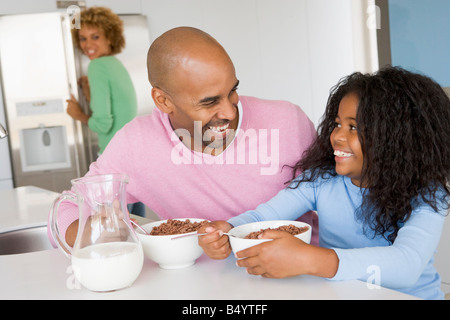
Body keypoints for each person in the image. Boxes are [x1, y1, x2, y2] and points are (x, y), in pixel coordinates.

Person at [48, 27, 318, 248]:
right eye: (209, 102)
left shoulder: (288, 122)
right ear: (163, 100)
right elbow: (69, 206)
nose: (228, 110)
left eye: (232, 91)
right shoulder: (137, 144)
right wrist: (96, 233)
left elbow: (343, 198)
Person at [198, 67, 450, 300]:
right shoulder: (321, 179)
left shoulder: (428, 193)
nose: (337, 136)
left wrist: (310, 259)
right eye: (338, 124)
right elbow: (265, 215)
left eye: (354, 128)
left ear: (398, 139)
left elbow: (407, 265)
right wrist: (229, 229)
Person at [66, 7, 143, 216]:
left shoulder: (97, 66)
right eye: (82, 38)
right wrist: (90, 94)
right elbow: (118, 110)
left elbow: (103, 124)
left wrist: (78, 114)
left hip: (113, 160)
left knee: (114, 230)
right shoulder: (114, 64)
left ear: (110, 37)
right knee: (135, 224)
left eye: (95, 36)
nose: (88, 45)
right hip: (132, 160)